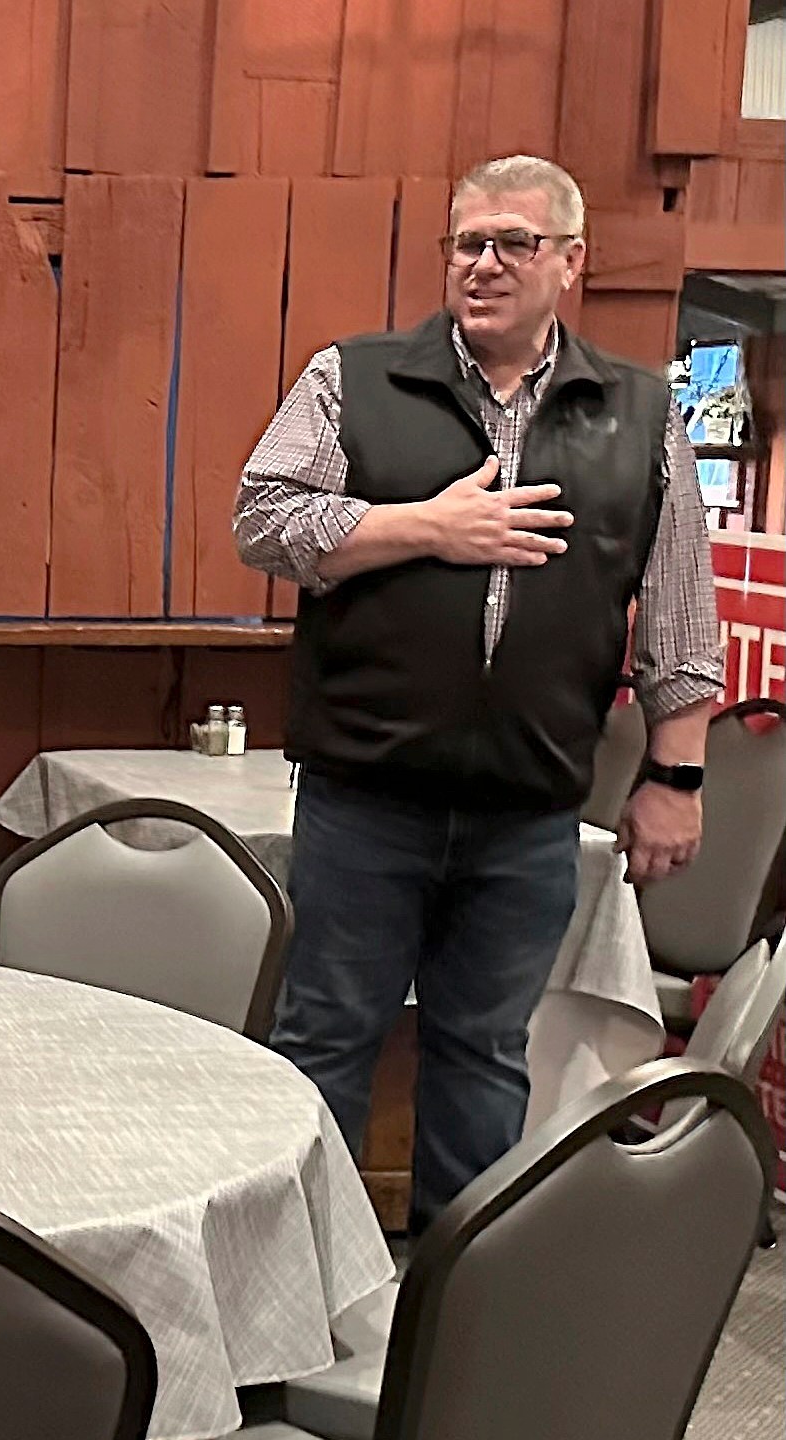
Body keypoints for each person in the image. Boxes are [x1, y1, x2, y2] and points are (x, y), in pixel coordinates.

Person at [234, 154, 722, 1234]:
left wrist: (673, 777)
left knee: (482, 1057)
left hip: (528, 813)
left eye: (513, 243)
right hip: (365, 796)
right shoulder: (351, 377)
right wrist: (423, 527)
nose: (484, 264)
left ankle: (452, 1317)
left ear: (569, 262)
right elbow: (261, 519)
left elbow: (680, 613)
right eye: (467, 242)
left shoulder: (638, 414)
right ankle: (297, 1295)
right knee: (321, 1045)